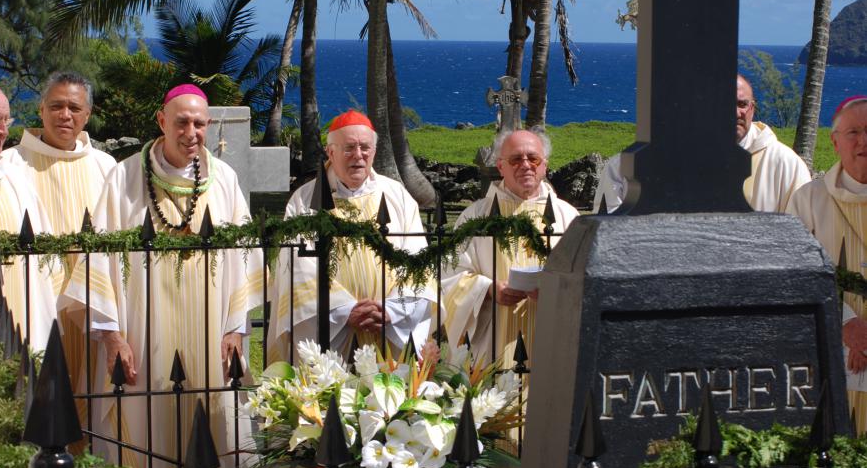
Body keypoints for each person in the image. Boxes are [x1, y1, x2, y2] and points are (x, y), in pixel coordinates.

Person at [62, 84, 262, 468]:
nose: (191, 132)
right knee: (143, 417)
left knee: (212, 417)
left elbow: (245, 257)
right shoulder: (124, 177)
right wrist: (113, 337)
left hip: (211, 332)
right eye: (182, 121)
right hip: (143, 331)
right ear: (161, 121)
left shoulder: (222, 178)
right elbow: (99, 257)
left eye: (200, 123)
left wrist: (236, 328)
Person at [267, 110, 434, 363]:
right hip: (331, 332)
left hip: (388, 326)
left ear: (374, 152)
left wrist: (390, 310)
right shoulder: (304, 200)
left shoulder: (397, 195)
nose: (358, 155)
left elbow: (416, 261)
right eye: (349, 148)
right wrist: (345, 311)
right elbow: (297, 268)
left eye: (365, 147)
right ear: (330, 152)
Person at [12, 72, 116, 424]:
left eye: (74, 107)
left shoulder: (105, 167)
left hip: (93, 306)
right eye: (56, 106)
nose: (64, 115)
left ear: (88, 115)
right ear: (41, 110)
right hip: (34, 304)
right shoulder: (12, 166)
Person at [442, 128, 578, 367]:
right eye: (515, 159)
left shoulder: (568, 216)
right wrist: (488, 290)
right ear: (500, 166)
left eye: (533, 158)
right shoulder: (475, 216)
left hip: (551, 335)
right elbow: (449, 277)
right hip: (494, 339)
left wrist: (554, 290)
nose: (525, 165)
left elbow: (584, 278)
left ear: (544, 165)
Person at [593, 74, 811, 213]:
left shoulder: (785, 165)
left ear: (752, 108)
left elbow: (800, 235)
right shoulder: (624, 168)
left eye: (742, 104)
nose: (735, 112)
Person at [789, 95, 867, 434]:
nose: (863, 141)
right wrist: (848, 325)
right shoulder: (809, 199)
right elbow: (794, 273)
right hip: (831, 353)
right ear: (835, 141)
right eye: (853, 132)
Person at [0, 83, 59, 351]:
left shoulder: (15, 179)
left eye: (6, 121)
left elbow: (44, 261)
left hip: (19, 313)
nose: (3, 131)